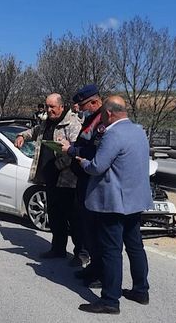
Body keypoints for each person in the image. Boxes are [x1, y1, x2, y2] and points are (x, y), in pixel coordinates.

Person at [76, 96, 152, 315]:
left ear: (108, 113)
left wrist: (83, 162)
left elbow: (98, 167)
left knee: (111, 251)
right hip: (135, 200)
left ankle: (110, 300)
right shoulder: (138, 130)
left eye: (102, 114)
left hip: (114, 202)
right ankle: (141, 290)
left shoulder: (113, 134)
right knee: (135, 246)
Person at [15, 93, 82, 262]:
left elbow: (77, 150)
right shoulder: (46, 123)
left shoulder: (72, 123)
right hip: (50, 178)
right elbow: (34, 131)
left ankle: (81, 253)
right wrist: (22, 136)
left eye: (52, 107)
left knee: (73, 219)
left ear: (61, 106)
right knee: (55, 215)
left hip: (68, 180)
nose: (49, 110)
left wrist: (58, 165)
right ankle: (57, 248)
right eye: (47, 106)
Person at [59, 84, 105, 286]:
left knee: (97, 233)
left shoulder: (103, 122)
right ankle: (92, 270)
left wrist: (71, 150)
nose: (81, 109)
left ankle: (101, 274)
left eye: (84, 105)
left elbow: (96, 153)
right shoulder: (90, 119)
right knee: (87, 230)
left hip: (93, 182)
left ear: (95, 102)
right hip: (83, 181)